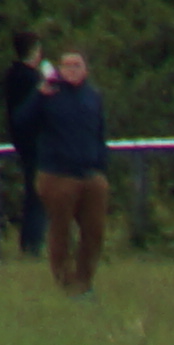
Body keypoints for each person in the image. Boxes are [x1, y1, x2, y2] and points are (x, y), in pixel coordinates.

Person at [31, 52, 114, 293]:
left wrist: (101, 164)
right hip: (58, 175)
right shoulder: (49, 95)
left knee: (94, 231)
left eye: (77, 65)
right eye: (67, 66)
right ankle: (65, 282)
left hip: (90, 173)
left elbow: (100, 132)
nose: (72, 70)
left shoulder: (93, 97)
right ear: (59, 70)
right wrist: (39, 96)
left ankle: (84, 281)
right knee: (61, 230)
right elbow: (23, 122)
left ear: (85, 69)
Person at [0, 31, 46, 258]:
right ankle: (33, 245)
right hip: (35, 143)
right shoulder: (32, 79)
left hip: (20, 141)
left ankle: (30, 243)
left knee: (33, 194)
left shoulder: (12, 75)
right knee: (38, 196)